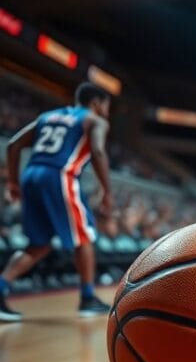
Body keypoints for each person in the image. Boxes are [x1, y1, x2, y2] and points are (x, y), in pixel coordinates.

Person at [0, 83, 113, 320]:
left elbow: (13, 145)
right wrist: (107, 191)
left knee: (39, 244)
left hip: (31, 175)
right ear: (96, 103)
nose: (107, 111)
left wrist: (13, 183)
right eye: (106, 106)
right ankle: (87, 297)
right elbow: (99, 151)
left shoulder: (48, 116)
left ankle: (1, 286)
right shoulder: (95, 120)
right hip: (59, 176)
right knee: (85, 236)